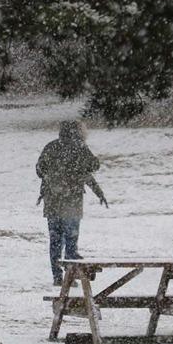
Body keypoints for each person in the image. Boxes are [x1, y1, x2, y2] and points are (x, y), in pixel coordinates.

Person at [36, 121, 108, 287]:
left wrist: (54, 174)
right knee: (71, 240)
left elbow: (40, 170)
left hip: (52, 201)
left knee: (55, 241)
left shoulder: (50, 147)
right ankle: (70, 274)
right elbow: (93, 166)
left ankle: (57, 276)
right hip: (72, 202)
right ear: (77, 132)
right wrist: (99, 192)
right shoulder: (79, 147)